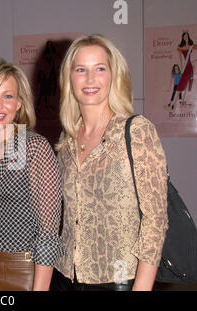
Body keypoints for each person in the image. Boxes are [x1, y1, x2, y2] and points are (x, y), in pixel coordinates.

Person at [53, 34, 168, 291]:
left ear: (114, 75)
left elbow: (156, 220)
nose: (90, 79)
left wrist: (142, 287)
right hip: (64, 277)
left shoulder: (136, 131)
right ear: (69, 79)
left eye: (100, 69)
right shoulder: (67, 138)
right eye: (81, 70)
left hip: (119, 280)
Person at [0, 58, 63, 291]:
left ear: (19, 103)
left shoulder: (35, 147)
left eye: (8, 96)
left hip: (20, 273)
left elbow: (48, 233)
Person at [176, 31, 197, 105]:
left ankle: (183, 101)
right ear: (183, 38)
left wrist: (194, 61)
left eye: (187, 36)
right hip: (184, 67)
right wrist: (181, 67)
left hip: (190, 67)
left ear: (188, 36)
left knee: (188, 84)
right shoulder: (180, 47)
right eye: (184, 36)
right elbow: (180, 58)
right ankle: (177, 102)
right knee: (182, 83)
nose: (186, 37)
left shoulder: (192, 45)